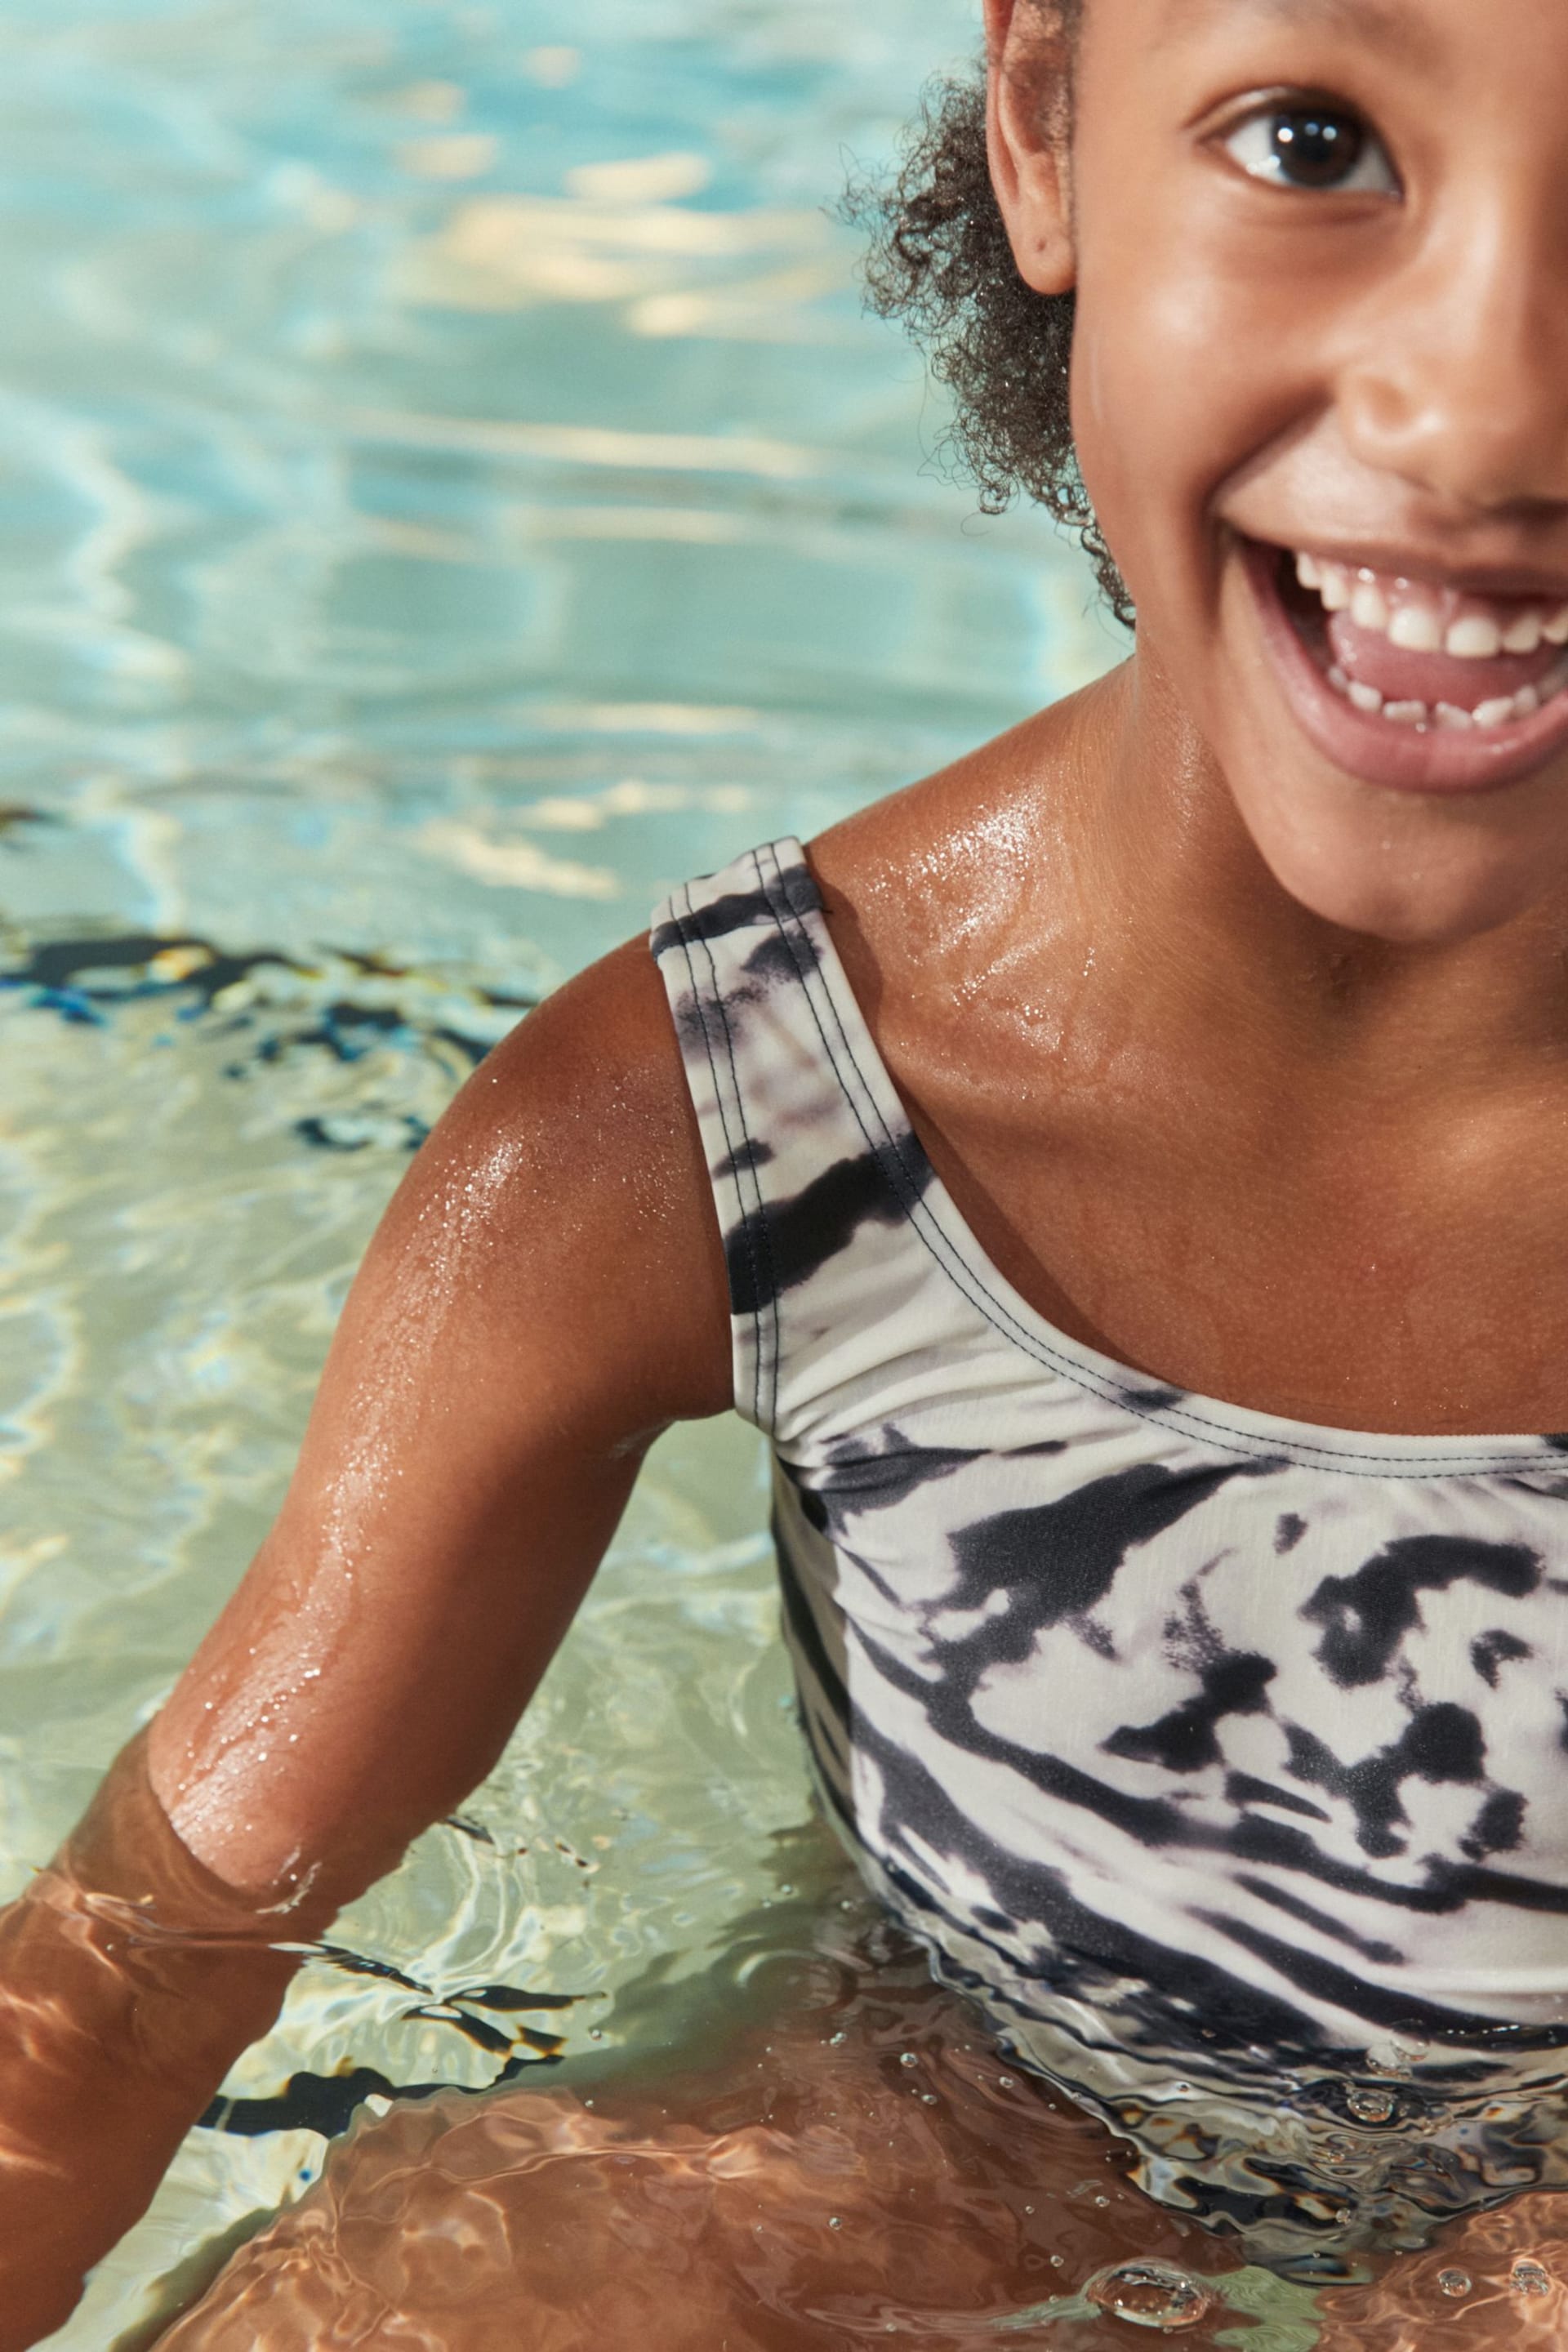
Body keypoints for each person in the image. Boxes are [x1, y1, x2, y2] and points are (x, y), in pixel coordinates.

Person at [9, 0, 1568, 2340]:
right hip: (981, 2104)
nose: (1491, 406)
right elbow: (149, 1954)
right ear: (1048, 125)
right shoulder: (725, 1112)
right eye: (1316, 140)